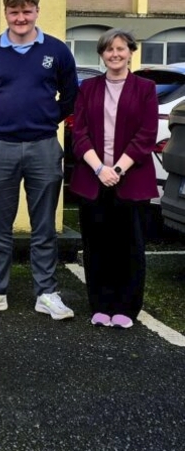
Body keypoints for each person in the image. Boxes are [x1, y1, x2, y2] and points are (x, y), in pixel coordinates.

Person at [0, 0, 79, 320]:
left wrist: (46, 119)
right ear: (6, 12)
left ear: (37, 11)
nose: (20, 18)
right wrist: (1, 119)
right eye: (14, 12)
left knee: (44, 225)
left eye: (26, 11)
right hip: (0, 147)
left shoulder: (57, 51)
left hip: (44, 147)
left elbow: (71, 96)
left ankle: (46, 293)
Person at [69, 29, 158, 328]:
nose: (115, 54)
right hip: (93, 179)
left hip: (130, 181)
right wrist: (99, 169)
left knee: (129, 246)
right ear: (102, 54)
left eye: (121, 48)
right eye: (109, 50)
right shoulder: (89, 88)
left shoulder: (145, 88)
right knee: (97, 246)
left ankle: (126, 308)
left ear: (131, 51)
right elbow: (78, 133)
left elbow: (146, 135)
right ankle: (100, 305)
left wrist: (117, 169)